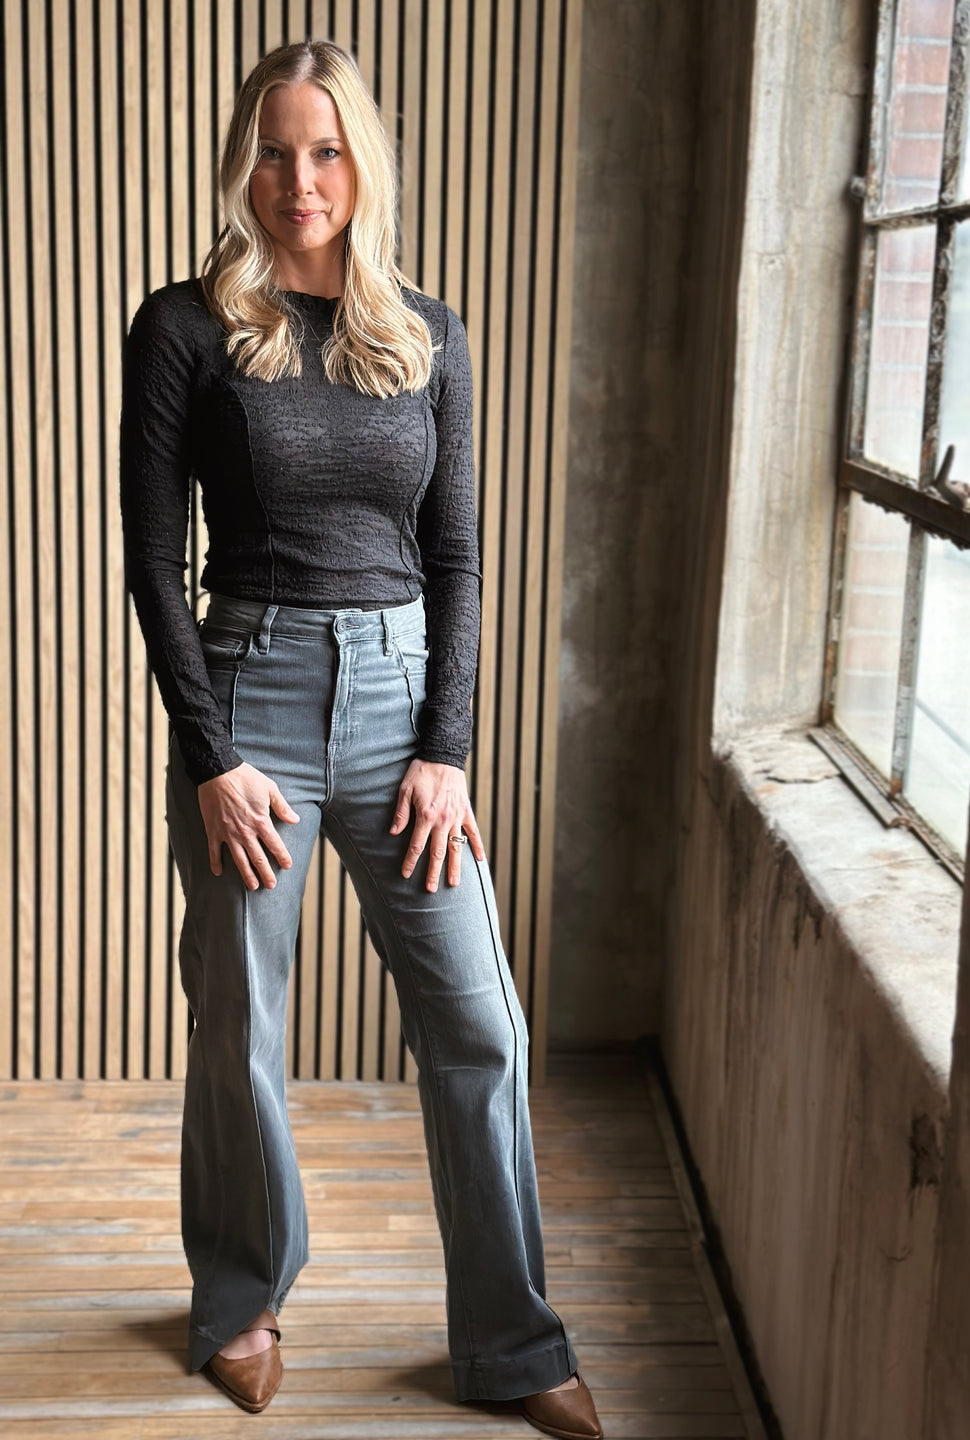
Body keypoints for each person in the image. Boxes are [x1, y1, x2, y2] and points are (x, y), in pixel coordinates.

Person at [118, 38, 602, 1440]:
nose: (298, 180)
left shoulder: (430, 335)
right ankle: (239, 1300)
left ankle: (513, 1340)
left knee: (478, 1025)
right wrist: (210, 757)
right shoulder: (186, 328)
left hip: (402, 714)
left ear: (361, 166)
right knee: (238, 1028)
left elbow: (456, 558)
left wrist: (446, 746)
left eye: (325, 151)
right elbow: (158, 563)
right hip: (250, 696)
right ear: (243, 165)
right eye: (274, 151)